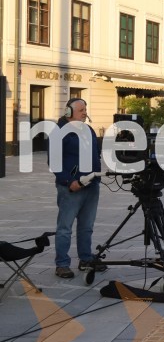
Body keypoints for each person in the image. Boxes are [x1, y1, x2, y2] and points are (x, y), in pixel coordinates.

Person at [51, 98, 106, 279]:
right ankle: (62, 265)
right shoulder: (59, 132)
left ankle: (85, 259)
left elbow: (95, 154)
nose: (85, 112)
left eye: (85, 109)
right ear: (68, 112)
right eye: (81, 110)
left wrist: (96, 175)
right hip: (71, 188)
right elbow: (54, 162)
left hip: (91, 185)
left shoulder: (88, 129)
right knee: (65, 227)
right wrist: (68, 181)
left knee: (86, 227)